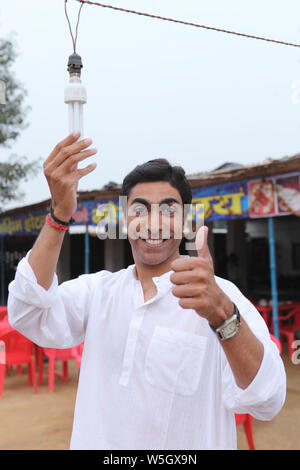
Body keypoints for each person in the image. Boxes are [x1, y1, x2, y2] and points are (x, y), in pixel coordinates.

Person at [7, 132, 286, 450]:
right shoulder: (99, 292)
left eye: (169, 210)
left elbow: (268, 400)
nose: (153, 223)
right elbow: (28, 312)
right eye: (140, 210)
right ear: (125, 220)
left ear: (185, 221)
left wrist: (224, 319)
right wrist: (59, 216)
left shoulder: (221, 298)